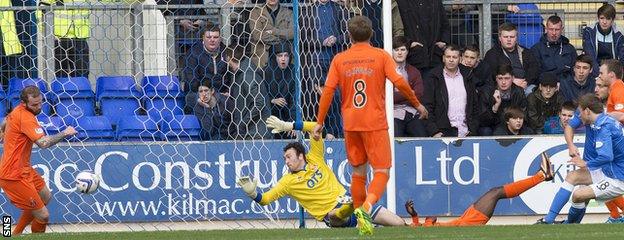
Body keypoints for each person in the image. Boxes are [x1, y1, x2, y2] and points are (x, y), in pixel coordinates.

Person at [312, 16, 428, 235]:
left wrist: (319, 122)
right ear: (372, 34)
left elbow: (327, 91)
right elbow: (400, 82)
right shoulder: (380, 56)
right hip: (374, 122)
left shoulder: (340, 58)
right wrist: (417, 104)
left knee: (358, 173)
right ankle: (365, 209)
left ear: (348, 35)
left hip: (351, 123)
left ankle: (361, 222)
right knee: (382, 171)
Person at [237, 116, 413, 229]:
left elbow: (315, 126)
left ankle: (357, 208)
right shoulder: (287, 182)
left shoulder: (315, 157)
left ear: (301, 155)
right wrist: (253, 193)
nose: (287, 161)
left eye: (289, 157)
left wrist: (288, 125)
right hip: (333, 214)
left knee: (398, 224)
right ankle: (352, 207)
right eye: (284, 159)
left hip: (351, 201)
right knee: (334, 216)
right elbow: (266, 199)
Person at [0, 86, 77, 235]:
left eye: (40, 103)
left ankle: (14, 235)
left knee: (45, 196)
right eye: (34, 105)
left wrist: (3, 131)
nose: (39, 107)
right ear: (24, 103)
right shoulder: (26, 118)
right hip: (13, 175)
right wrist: (65, 133)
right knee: (43, 215)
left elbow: (5, 120)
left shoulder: (17, 111)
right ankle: (14, 234)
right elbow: (43, 143)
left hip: (24, 169)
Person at [538, 94, 624, 224]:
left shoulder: (603, 127)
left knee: (578, 196)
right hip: (609, 170)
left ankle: (569, 225)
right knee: (572, 176)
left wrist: (586, 163)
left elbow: (607, 156)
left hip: (617, 178)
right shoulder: (603, 120)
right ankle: (548, 220)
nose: (578, 117)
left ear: (587, 111)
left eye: (579, 113)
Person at [407, 152, 553, 226]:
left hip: (462, 221)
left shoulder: (412, 230)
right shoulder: (414, 231)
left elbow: (426, 222)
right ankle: (541, 176)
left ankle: (542, 175)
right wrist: (420, 220)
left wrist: (414, 216)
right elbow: (431, 219)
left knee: (495, 192)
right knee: (495, 192)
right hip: (464, 225)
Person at [423, 45, 479, 137]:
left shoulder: (468, 76)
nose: (451, 60)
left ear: (460, 59)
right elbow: (428, 106)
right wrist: (434, 131)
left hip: (466, 132)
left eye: (454, 57)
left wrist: (473, 129)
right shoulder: (433, 77)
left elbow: (474, 105)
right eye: (448, 57)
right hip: (442, 132)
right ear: (443, 58)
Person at [224, 45, 271, 140]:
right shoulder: (242, 72)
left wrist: (242, 123)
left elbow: (259, 102)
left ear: (228, 58)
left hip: (256, 133)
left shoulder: (247, 75)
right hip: (251, 132)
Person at [394, 0, 450, 77]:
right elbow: (396, 27)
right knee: (416, 87)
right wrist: (408, 44)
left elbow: (445, 24)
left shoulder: (436, 2)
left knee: (433, 87)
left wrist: (444, 42)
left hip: (434, 56)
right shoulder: (401, 2)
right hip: (413, 57)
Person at [483, 23, 541, 95]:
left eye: (512, 37)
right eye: (505, 37)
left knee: (532, 92)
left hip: (525, 85)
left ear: (516, 38)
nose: (509, 39)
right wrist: (511, 81)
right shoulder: (492, 54)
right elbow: (491, 75)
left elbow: (534, 70)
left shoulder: (526, 52)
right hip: (503, 86)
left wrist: (526, 82)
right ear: (500, 38)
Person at [40, 0, 92, 78]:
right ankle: (60, 90)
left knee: (82, 73)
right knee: (59, 73)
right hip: (58, 37)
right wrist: (47, 33)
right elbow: (41, 10)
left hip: (79, 37)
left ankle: (80, 89)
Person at [183, 25, 228, 111]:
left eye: (215, 37)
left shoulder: (225, 52)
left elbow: (230, 75)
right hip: (197, 93)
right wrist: (209, 94)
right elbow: (192, 80)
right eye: (209, 37)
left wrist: (228, 91)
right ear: (203, 38)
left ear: (220, 38)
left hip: (221, 93)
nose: (212, 40)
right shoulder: (193, 53)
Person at [478, 65, 527, 136]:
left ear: (513, 78)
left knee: (528, 131)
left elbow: (523, 115)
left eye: (507, 78)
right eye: (500, 78)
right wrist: (495, 107)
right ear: (496, 79)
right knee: (486, 131)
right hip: (493, 124)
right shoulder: (487, 92)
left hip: (513, 124)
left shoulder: (519, 91)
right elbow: (483, 121)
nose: (503, 82)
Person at [392, 36, 426, 137]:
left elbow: (419, 94)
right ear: (392, 51)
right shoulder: (385, 70)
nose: (399, 53)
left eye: (403, 49)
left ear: (407, 52)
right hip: (393, 112)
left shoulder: (414, 71)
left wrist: (398, 95)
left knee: (422, 136)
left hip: (411, 112)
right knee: (396, 137)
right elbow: (386, 97)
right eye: (396, 50)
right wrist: (409, 93)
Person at [249, 0, 294, 68]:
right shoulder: (256, 12)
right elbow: (257, 35)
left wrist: (273, 31)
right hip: (262, 59)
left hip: (285, 58)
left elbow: (292, 34)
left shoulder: (289, 13)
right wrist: (282, 39)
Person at [264, 43, 295, 139]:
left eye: (286, 55)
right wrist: (272, 100)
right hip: (270, 118)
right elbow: (259, 96)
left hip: (288, 118)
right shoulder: (265, 73)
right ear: (274, 57)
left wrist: (293, 124)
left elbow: (295, 100)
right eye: (280, 56)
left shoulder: (294, 72)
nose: (283, 59)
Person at [530, 15, 577, 79]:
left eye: (557, 29)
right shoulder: (536, 49)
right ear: (546, 29)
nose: (554, 33)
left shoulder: (570, 49)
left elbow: (575, 71)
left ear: (562, 29)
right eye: (551, 29)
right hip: (545, 86)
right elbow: (535, 74)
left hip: (566, 86)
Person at [582, 3, 624, 75]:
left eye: (608, 19)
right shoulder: (589, 32)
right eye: (602, 18)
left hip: (612, 72)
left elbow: (622, 58)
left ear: (613, 20)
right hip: (594, 72)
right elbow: (590, 56)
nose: (604, 22)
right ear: (598, 18)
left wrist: (613, 74)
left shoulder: (619, 34)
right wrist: (599, 74)